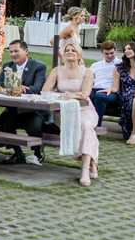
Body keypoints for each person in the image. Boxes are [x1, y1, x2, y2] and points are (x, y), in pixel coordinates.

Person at [41, 42, 99, 186]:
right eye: (67, 50)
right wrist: (64, 96)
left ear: (79, 54)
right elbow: (45, 91)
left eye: (73, 50)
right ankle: (92, 162)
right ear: (63, 54)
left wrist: (70, 95)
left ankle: (85, 170)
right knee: (83, 129)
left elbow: (85, 94)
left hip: (85, 110)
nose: (70, 52)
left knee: (86, 126)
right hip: (64, 111)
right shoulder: (57, 71)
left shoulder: (87, 72)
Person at [0, 40, 48, 164]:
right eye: (11, 51)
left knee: (34, 126)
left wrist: (24, 89)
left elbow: (37, 88)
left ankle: (38, 153)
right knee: (4, 120)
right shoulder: (8, 66)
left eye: (16, 51)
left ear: (26, 52)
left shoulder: (39, 66)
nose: (13, 54)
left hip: (33, 109)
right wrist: (2, 88)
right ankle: (18, 154)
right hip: (13, 109)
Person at [89, 41, 121, 126]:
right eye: (106, 54)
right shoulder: (95, 65)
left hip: (111, 91)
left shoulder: (120, 64)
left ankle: (96, 126)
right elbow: (89, 79)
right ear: (102, 53)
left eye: (112, 53)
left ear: (116, 51)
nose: (110, 56)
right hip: (95, 89)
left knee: (99, 97)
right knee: (85, 96)